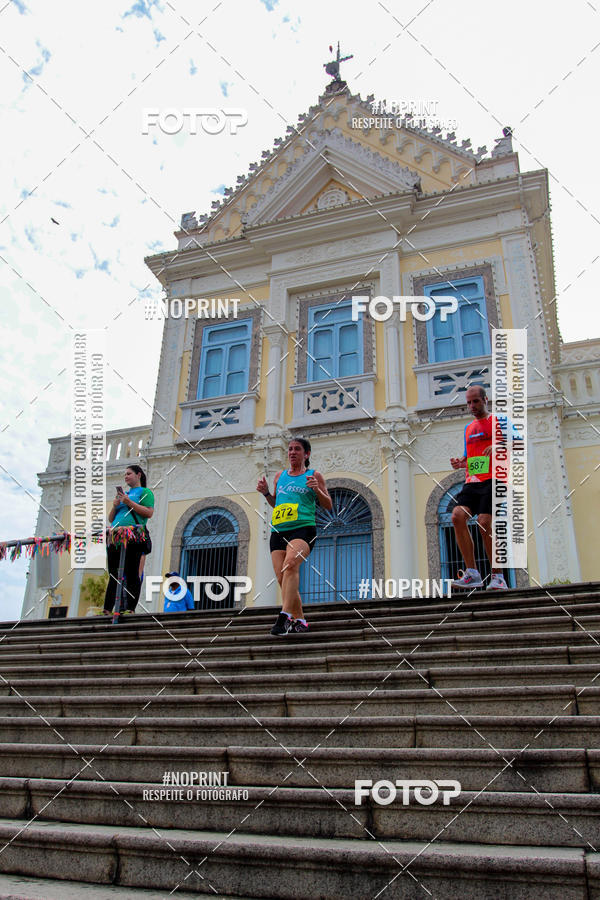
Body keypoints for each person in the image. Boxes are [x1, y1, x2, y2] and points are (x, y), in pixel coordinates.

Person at [257, 438, 332, 634]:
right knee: (282, 577)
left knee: (291, 565)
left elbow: (328, 505)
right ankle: (300, 620)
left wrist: (316, 489)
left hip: (303, 529)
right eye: (290, 449)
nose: (292, 452)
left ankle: (284, 617)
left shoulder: (313, 475)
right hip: (278, 531)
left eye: (297, 449)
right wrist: (266, 493)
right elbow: (277, 503)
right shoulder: (279, 476)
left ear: (306, 454)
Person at [449, 386, 508, 591]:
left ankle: (498, 577)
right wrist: (461, 462)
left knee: (484, 523)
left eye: (476, 401)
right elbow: (472, 458)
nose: (472, 406)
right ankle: (472, 573)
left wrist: (499, 446)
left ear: (485, 400)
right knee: (457, 516)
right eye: (468, 402)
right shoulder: (469, 428)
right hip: (472, 481)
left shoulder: (499, 421)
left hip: (495, 479)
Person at [103, 465, 154, 615]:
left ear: (138, 475)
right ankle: (107, 609)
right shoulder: (123, 494)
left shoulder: (145, 492)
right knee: (113, 574)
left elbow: (149, 513)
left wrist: (129, 502)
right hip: (115, 536)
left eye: (129, 474)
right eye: (125, 474)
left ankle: (129, 608)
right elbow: (111, 518)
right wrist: (115, 506)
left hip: (133, 536)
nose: (126, 476)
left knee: (132, 573)